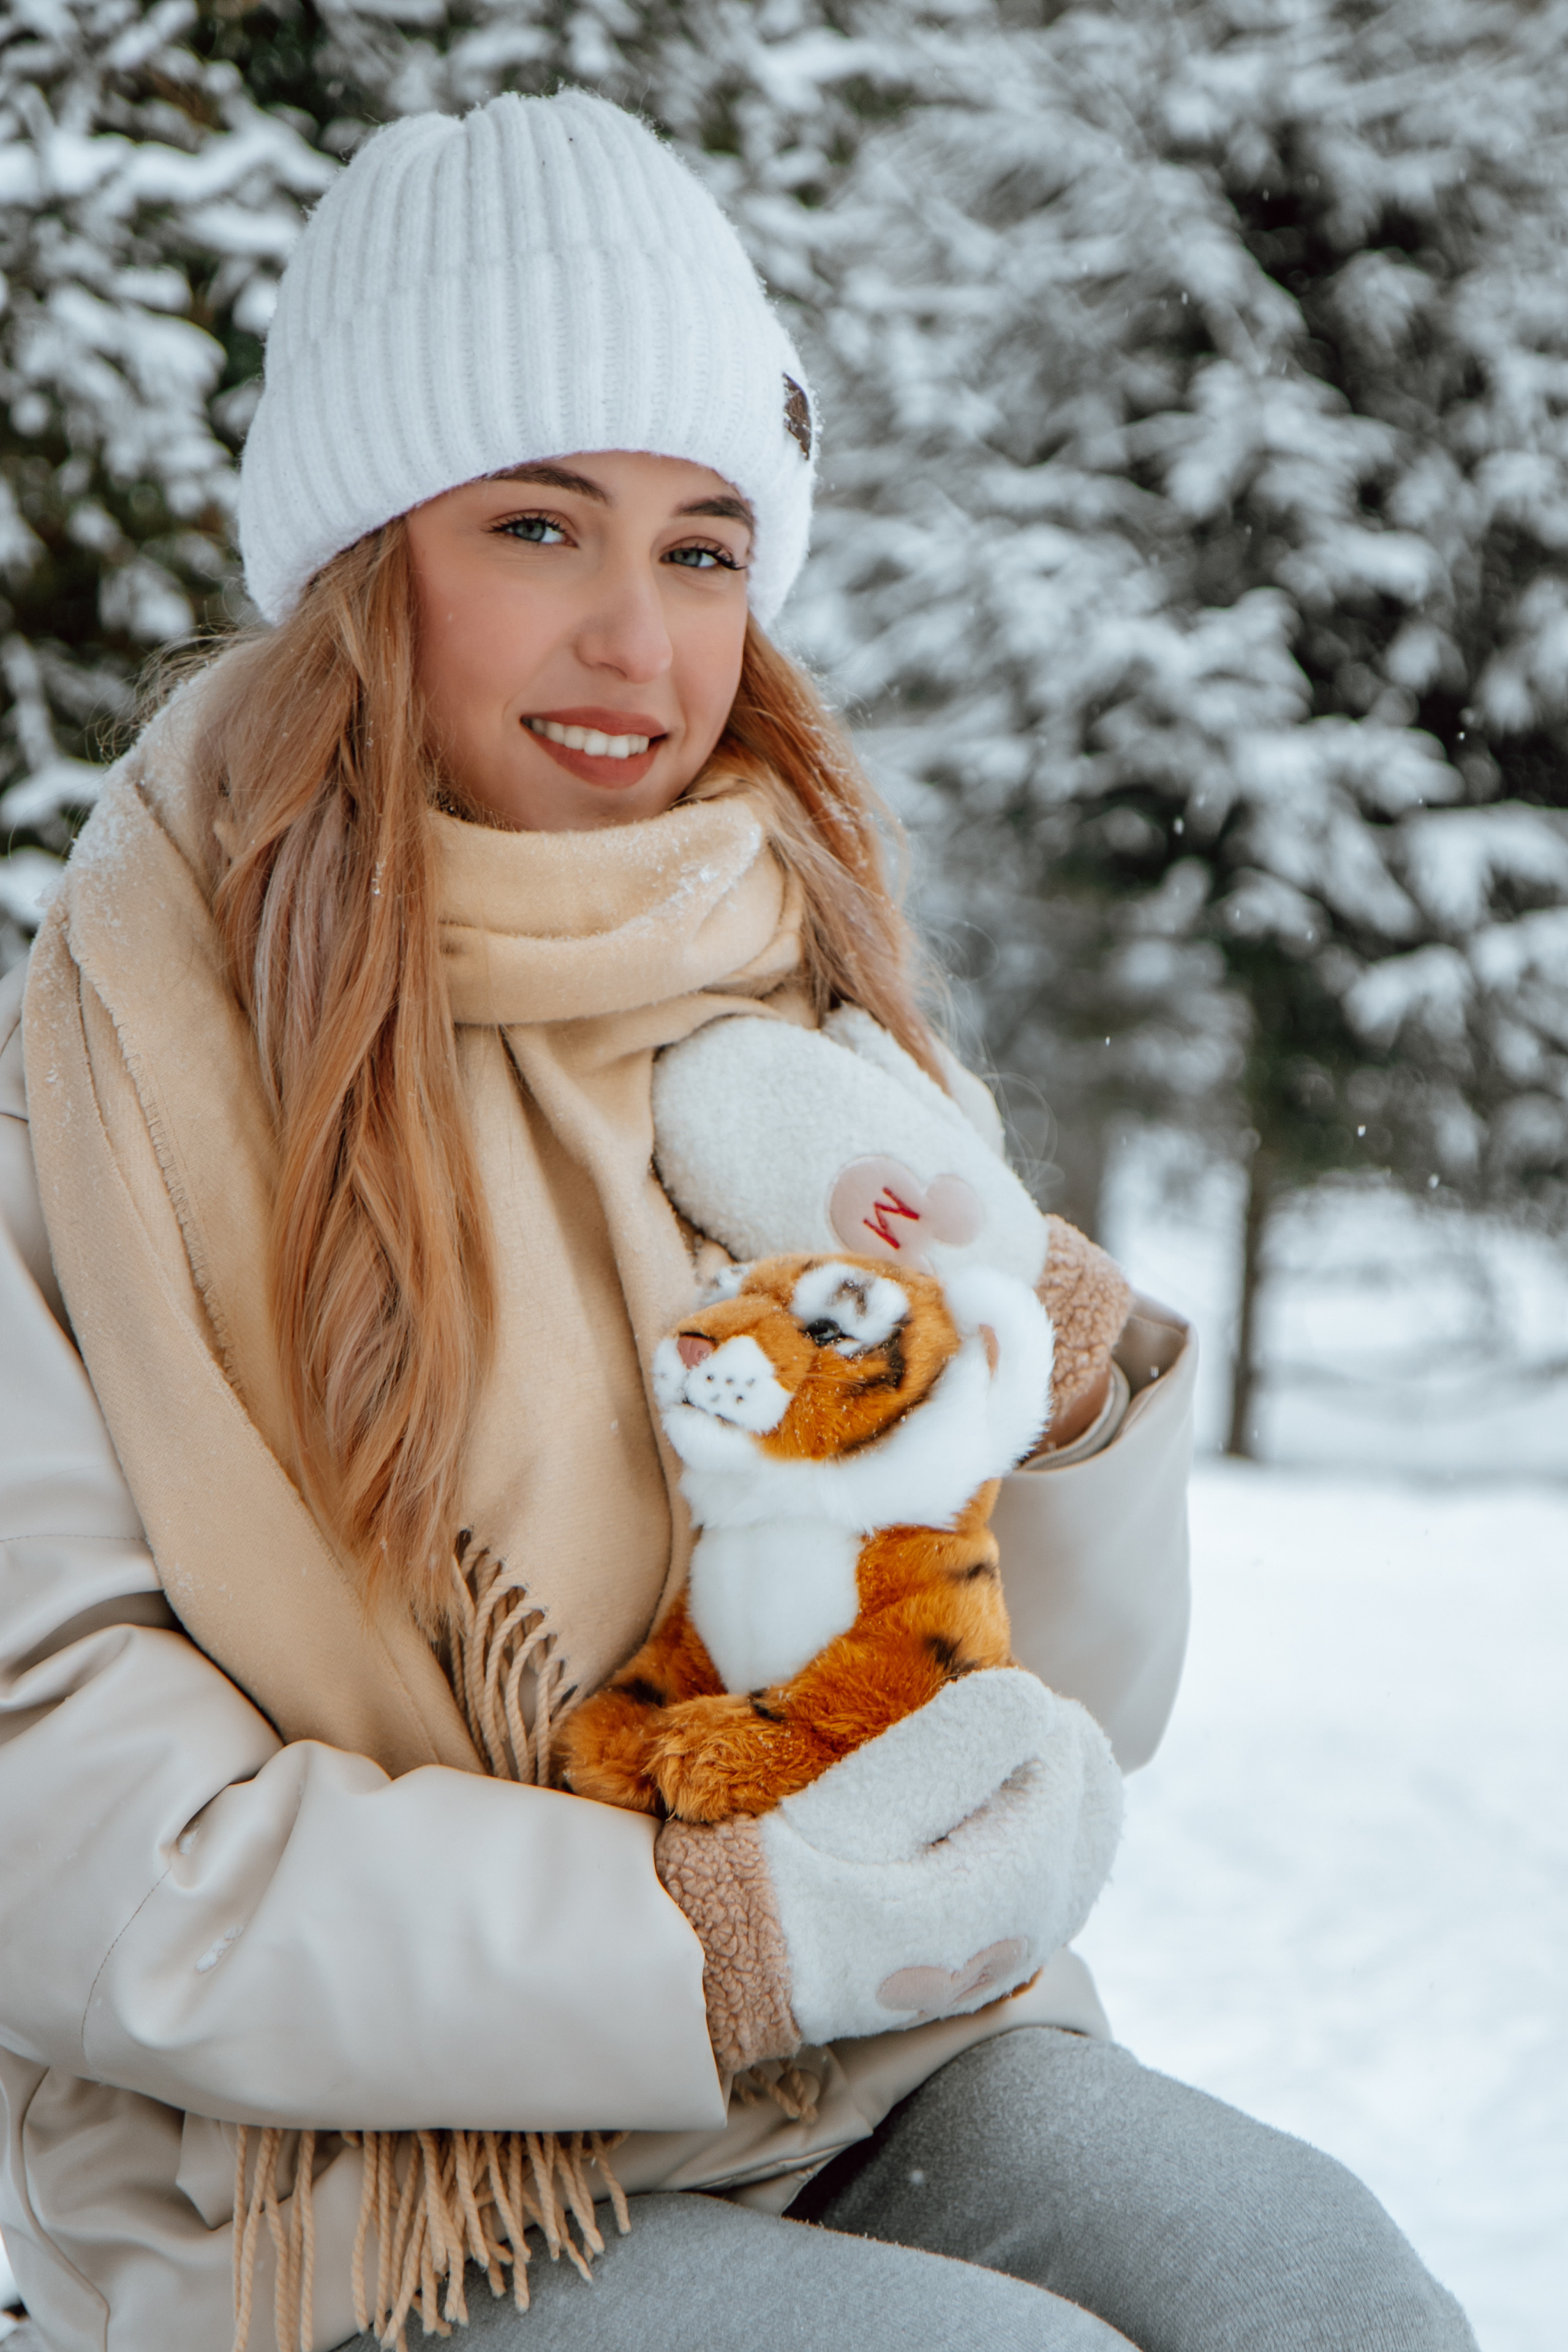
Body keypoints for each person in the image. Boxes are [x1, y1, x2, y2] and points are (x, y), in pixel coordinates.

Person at [0, 89, 1476, 2352]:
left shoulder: (790, 999)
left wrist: (1052, 1386)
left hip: (850, 2072)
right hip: (340, 2179)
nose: (637, 641)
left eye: (703, 547)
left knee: (1321, 2288)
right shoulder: (104, 1076)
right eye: (537, 524)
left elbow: (1042, 1705)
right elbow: (63, 1824)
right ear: (363, 561)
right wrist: (705, 1937)